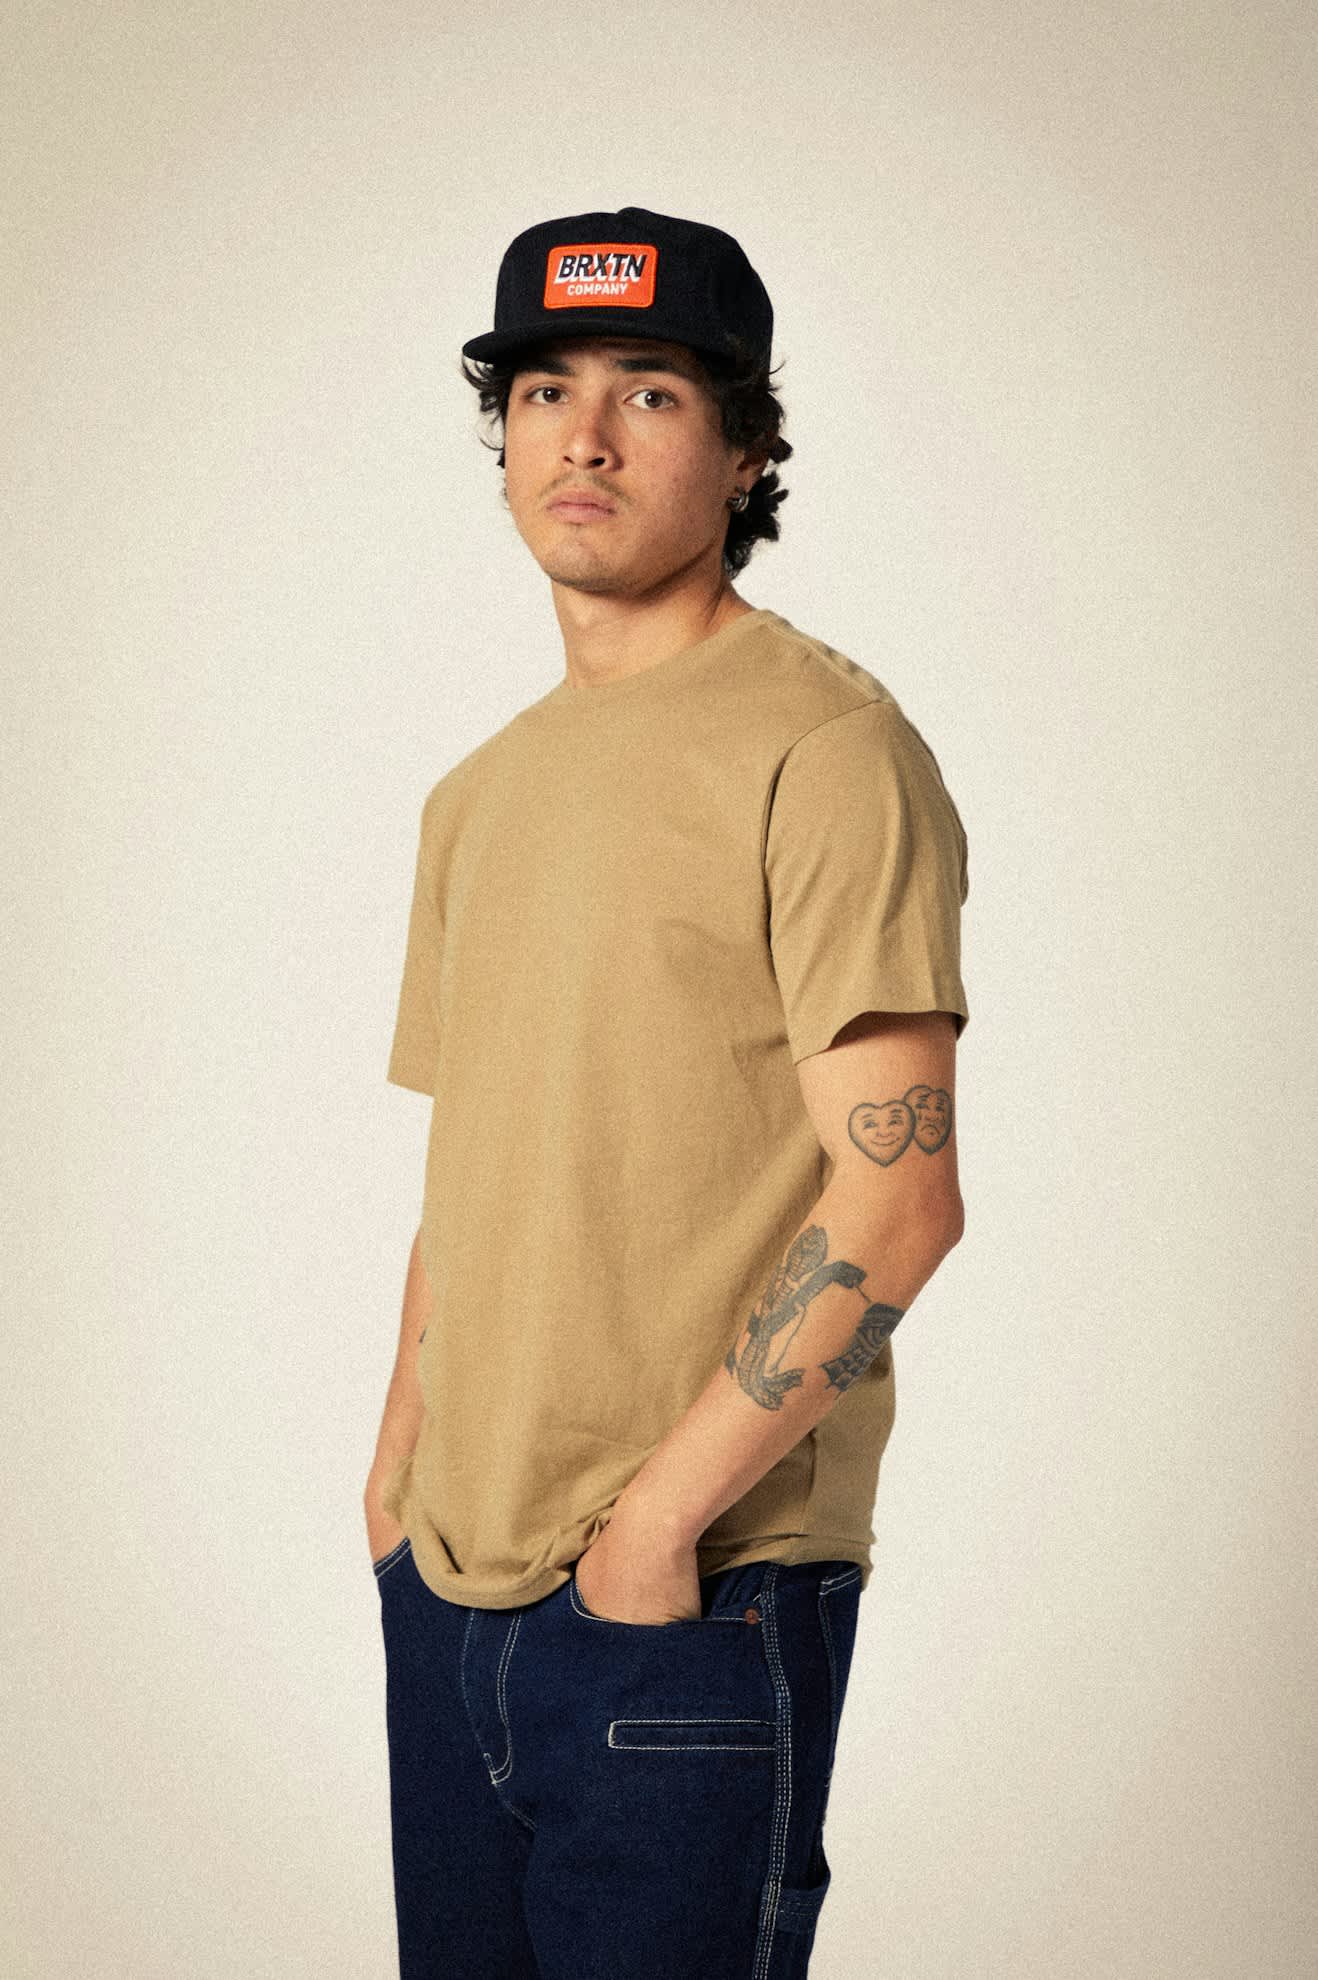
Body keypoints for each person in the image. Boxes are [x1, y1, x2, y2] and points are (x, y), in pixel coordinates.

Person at [363, 204, 971, 1979]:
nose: (584, 435)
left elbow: (898, 1197)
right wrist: (396, 1479)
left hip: (691, 1596)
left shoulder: (823, 747)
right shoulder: (478, 794)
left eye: (647, 392)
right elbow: (476, 1163)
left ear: (745, 450)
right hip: (448, 1588)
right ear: (501, 437)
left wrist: (655, 1530)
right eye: (542, 391)